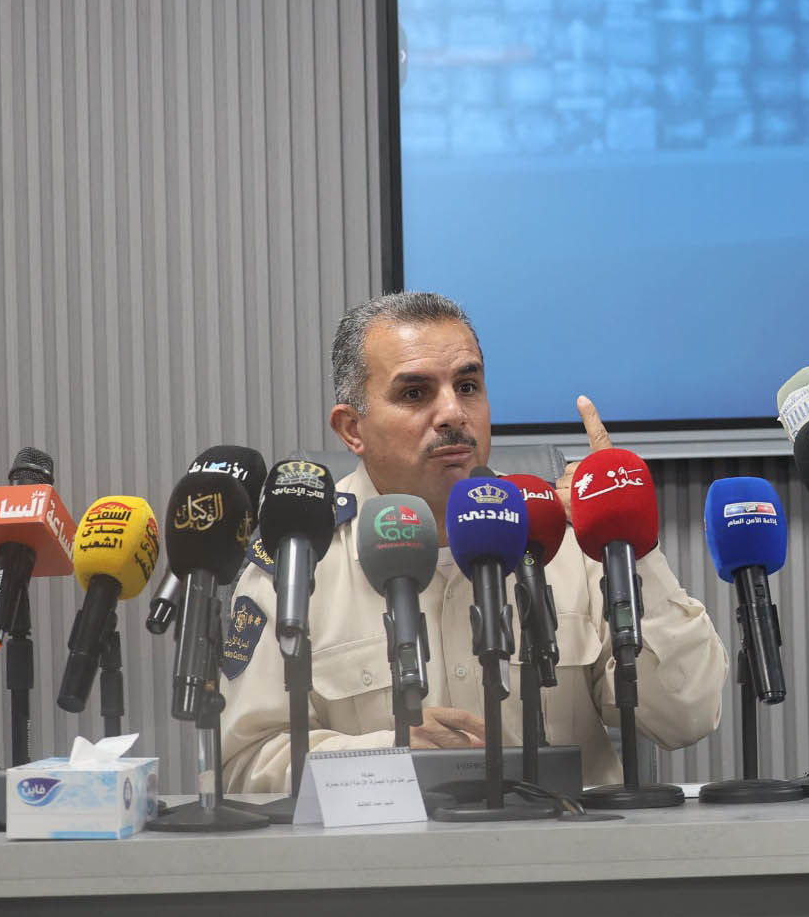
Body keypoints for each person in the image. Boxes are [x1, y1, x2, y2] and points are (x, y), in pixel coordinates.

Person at [220, 291, 727, 791]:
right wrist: (386, 758)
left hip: (563, 841)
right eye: (415, 394)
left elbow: (687, 715)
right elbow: (246, 764)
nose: (452, 413)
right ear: (353, 428)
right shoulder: (297, 560)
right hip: (388, 846)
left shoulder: (561, 533)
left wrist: (625, 539)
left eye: (467, 387)